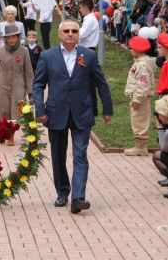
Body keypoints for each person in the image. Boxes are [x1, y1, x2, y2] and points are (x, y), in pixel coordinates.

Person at [32, 18, 113, 214]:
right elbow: (38, 84)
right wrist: (40, 110)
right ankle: (62, 191)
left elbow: (101, 83)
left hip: (81, 113)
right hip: (55, 112)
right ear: (59, 34)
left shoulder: (89, 55)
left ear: (79, 34)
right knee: (58, 155)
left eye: (74, 31)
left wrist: (107, 109)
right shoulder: (47, 56)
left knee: (80, 155)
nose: (70, 34)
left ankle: (78, 198)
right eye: (66, 31)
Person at [0, 24, 34, 146]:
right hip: (2, 86)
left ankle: (11, 136)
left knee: (16, 112)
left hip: (19, 88)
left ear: (18, 37)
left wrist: (31, 93)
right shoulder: (0, 50)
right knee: (2, 111)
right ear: (5, 39)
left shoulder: (24, 51)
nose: (12, 40)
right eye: (9, 38)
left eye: (14, 37)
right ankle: (3, 134)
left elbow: (29, 72)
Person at [123, 36, 157, 156]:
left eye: (132, 48)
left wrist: (137, 99)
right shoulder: (140, 63)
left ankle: (141, 147)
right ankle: (139, 146)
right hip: (138, 97)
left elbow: (143, 84)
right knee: (137, 120)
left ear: (137, 50)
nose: (131, 50)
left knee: (140, 121)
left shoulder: (142, 66)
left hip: (140, 99)